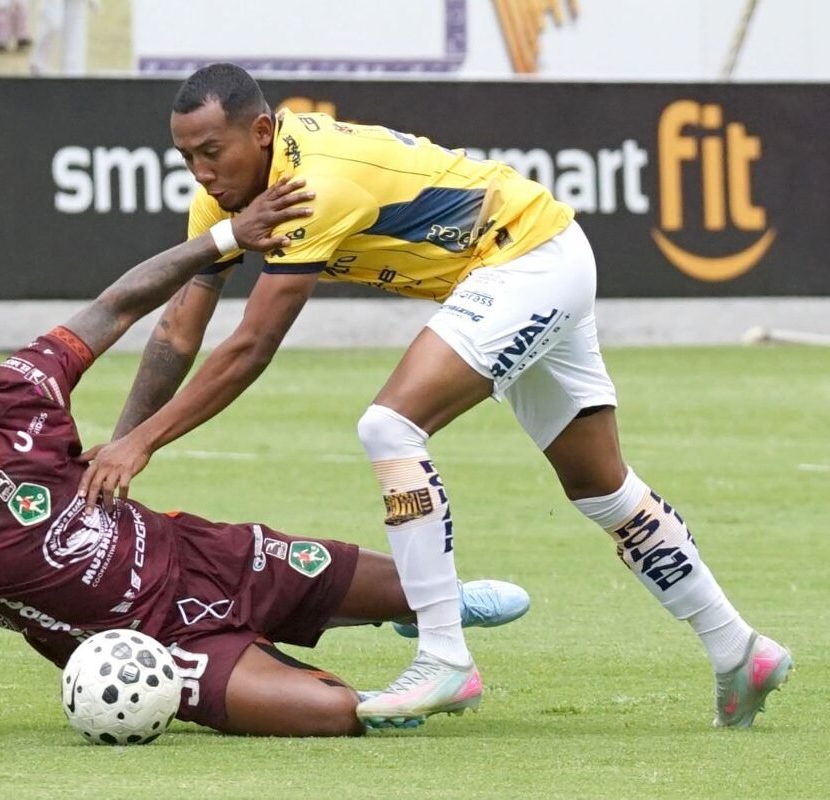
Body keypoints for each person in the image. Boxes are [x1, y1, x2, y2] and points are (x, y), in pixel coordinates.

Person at [76, 63, 793, 729]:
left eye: (212, 152)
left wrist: (143, 444)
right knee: (601, 488)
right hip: (540, 259)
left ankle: (445, 658)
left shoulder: (314, 184)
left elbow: (250, 347)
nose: (202, 173)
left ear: (260, 132)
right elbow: (181, 325)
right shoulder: (220, 199)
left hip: (525, 260)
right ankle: (738, 649)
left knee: (389, 427)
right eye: (186, 158)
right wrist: (123, 435)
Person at [0, 179, 529, 746]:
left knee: (423, 589)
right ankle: (354, 673)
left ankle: (425, 612)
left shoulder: (15, 389)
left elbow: (120, 303)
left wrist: (226, 236)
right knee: (340, 716)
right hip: (152, 651)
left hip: (205, 556)